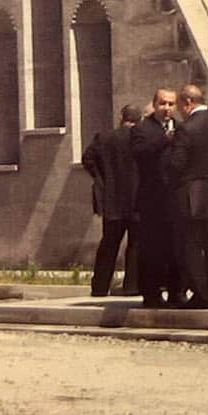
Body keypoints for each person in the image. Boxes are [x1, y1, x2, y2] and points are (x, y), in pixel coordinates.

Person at [167, 83, 208, 309]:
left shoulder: (186, 129)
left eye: (179, 106)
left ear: (187, 102)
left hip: (190, 193)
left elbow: (176, 164)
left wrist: (170, 145)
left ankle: (201, 295)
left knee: (192, 246)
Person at [129, 87, 183, 308]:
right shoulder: (142, 128)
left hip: (175, 198)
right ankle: (151, 294)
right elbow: (139, 153)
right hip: (152, 199)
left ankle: (176, 292)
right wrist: (164, 140)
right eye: (163, 103)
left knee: (176, 248)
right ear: (155, 104)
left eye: (171, 104)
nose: (167, 108)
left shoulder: (181, 128)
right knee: (151, 249)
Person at [81, 103, 141, 297]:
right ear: (139, 120)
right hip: (137, 200)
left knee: (109, 243)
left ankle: (99, 286)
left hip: (112, 199)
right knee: (135, 244)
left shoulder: (104, 138)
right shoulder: (140, 139)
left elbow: (87, 159)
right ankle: (132, 285)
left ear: (121, 117)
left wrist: (100, 178)